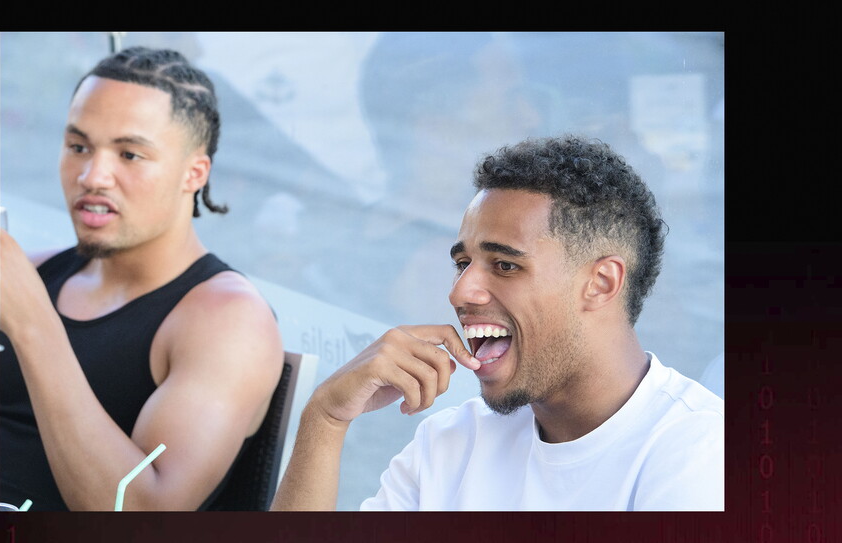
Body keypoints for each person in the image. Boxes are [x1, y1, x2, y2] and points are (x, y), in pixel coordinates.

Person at [272, 135, 723, 511]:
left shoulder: (700, 455)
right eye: (463, 262)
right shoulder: (452, 443)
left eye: (505, 265)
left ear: (601, 283)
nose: (460, 292)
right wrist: (326, 418)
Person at [0, 47, 284, 511]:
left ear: (195, 172)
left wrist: (33, 325)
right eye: (78, 147)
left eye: (129, 154)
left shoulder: (227, 321)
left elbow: (141, 515)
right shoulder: (33, 272)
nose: (92, 175)